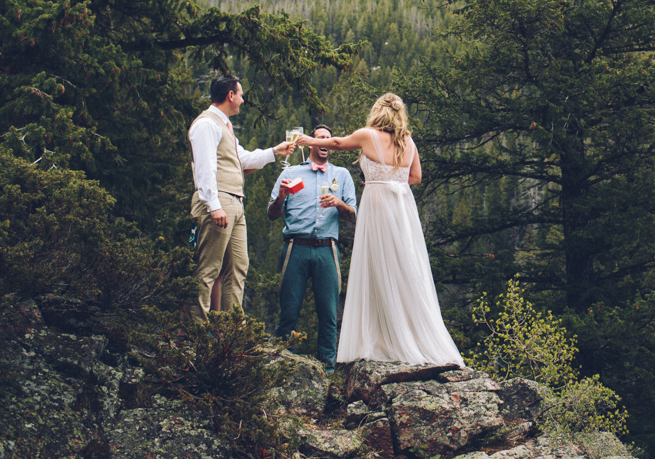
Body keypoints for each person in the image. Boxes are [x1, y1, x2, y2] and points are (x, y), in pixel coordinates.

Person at [297, 93, 464, 367]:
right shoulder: (408, 142)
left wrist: (310, 140)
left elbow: (338, 143)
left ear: (377, 112)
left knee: (377, 265)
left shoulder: (367, 135)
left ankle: (380, 338)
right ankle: (409, 335)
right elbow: (416, 177)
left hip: (378, 205)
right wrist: (388, 179)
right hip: (402, 206)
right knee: (404, 265)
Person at [188, 73, 295, 321]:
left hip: (235, 202)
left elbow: (242, 159)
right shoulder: (206, 125)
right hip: (218, 202)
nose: (243, 100)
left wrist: (273, 152)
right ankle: (198, 332)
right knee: (208, 269)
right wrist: (213, 206)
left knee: (238, 267)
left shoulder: (223, 125)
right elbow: (205, 169)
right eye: (241, 94)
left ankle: (231, 332)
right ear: (230, 95)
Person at [267, 124, 357, 370]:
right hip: (295, 247)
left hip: (327, 249)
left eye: (328, 139)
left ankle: (328, 370)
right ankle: (282, 366)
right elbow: (272, 214)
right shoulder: (292, 173)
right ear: (311, 143)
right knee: (289, 310)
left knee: (328, 314)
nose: (325, 142)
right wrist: (282, 196)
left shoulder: (342, 176)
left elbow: (352, 215)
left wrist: (339, 203)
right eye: (320, 138)